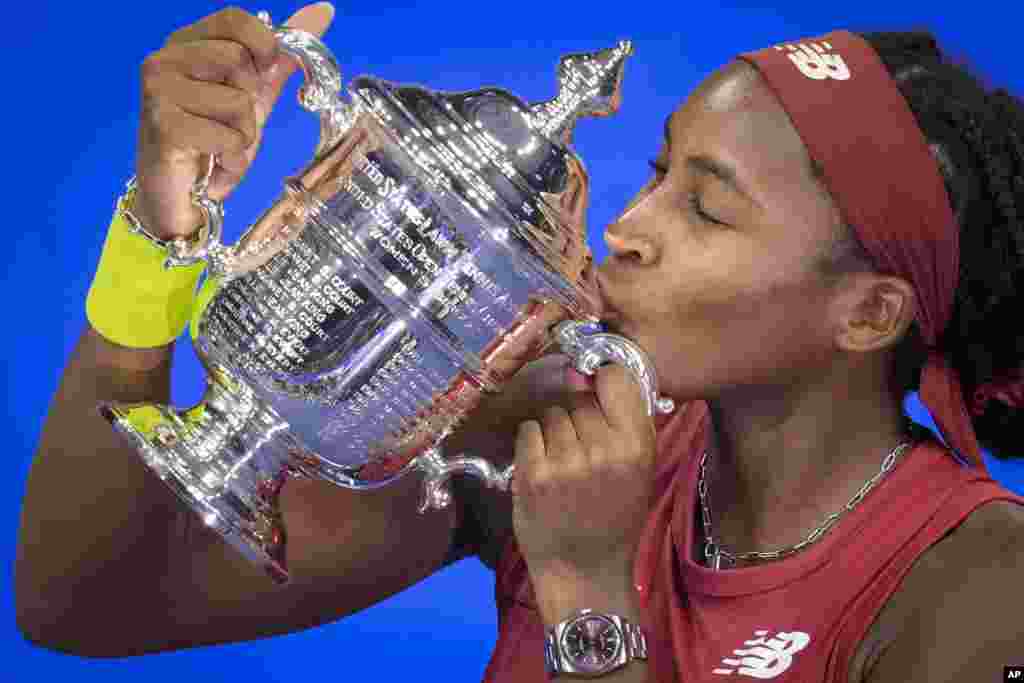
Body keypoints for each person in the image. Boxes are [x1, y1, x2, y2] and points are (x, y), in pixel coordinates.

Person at [14, 3, 1024, 681]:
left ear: (867, 313)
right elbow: (79, 599)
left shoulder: (979, 580)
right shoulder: (542, 427)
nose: (627, 226)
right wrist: (160, 244)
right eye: (660, 171)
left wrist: (587, 593)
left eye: (706, 211)